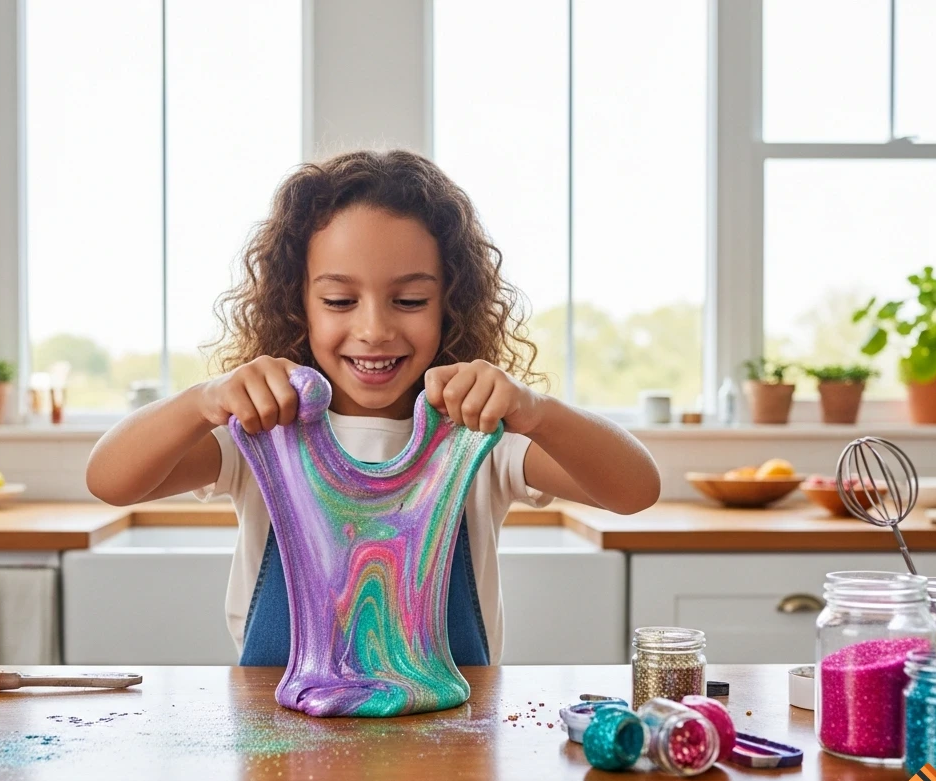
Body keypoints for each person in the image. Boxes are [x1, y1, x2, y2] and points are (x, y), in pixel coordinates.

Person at [87, 149, 660, 666]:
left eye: (409, 300)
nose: (374, 329)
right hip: (281, 733)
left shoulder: (478, 437)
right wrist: (204, 400)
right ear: (298, 305)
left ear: (450, 304)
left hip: (448, 734)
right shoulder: (266, 428)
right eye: (340, 300)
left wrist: (536, 410)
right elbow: (110, 479)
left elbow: (635, 490)